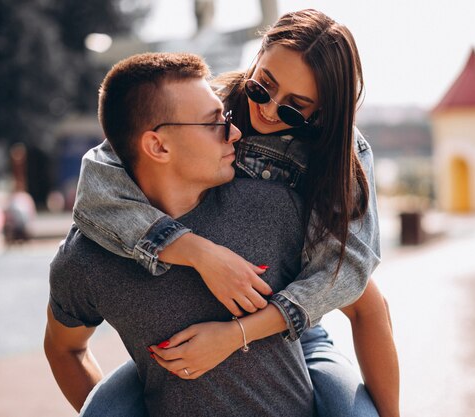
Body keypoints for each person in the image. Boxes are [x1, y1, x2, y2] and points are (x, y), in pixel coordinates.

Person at [74, 9, 399, 417]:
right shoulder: (204, 106)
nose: (266, 110)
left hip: (294, 333)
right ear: (257, 56)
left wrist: (235, 334)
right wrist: (196, 252)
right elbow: (97, 182)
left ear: (324, 113)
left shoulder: (342, 154)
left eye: (294, 109)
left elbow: (348, 273)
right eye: (262, 87)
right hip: (177, 331)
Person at [45, 52, 316, 416]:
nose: (235, 133)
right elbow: (64, 349)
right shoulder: (86, 258)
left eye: (228, 117)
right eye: (214, 123)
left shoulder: (276, 208)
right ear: (158, 146)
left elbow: (357, 299)